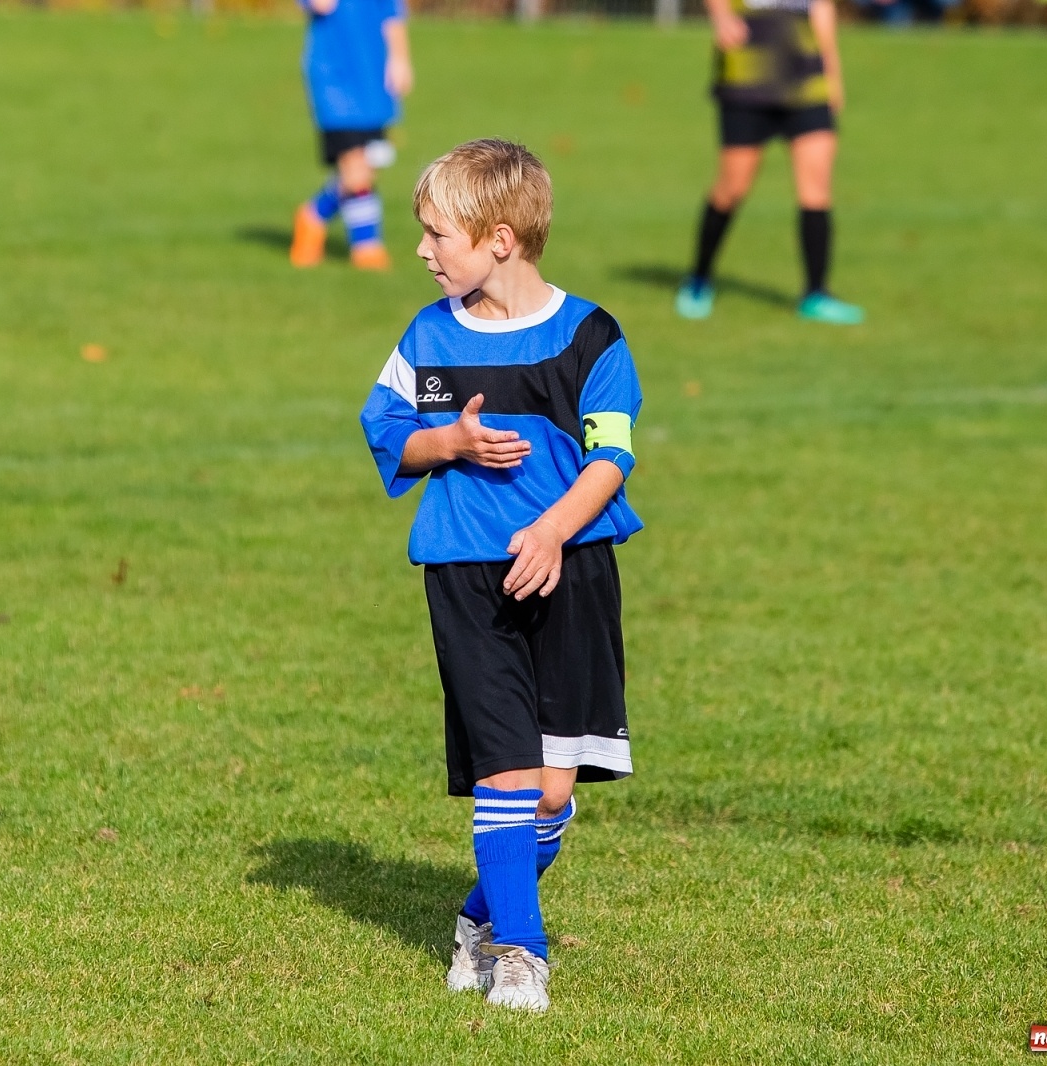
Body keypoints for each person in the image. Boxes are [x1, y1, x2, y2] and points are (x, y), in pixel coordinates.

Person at [360, 140, 642, 1012]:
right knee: (508, 773)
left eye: (437, 234)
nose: (423, 251)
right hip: (464, 575)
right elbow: (384, 430)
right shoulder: (427, 334)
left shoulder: (591, 335)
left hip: (570, 568)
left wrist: (553, 532)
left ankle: (481, 916)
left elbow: (611, 459)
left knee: (554, 789)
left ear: (501, 240)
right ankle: (522, 951)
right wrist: (450, 442)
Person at [675, 0, 866, 324]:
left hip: (807, 82)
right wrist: (721, 16)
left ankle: (816, 293)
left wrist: (832, 74)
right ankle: (699, 278)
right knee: (731, 189)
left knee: (816, 189)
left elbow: (822, 9)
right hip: (748, 83)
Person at [288, 0, 413, 271]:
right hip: (335, 80)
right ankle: (367, 246)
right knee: (355, 165)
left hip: (373, 79)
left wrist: (400, 59)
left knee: (366, 166)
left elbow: (392, 14)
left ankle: (313, 215)